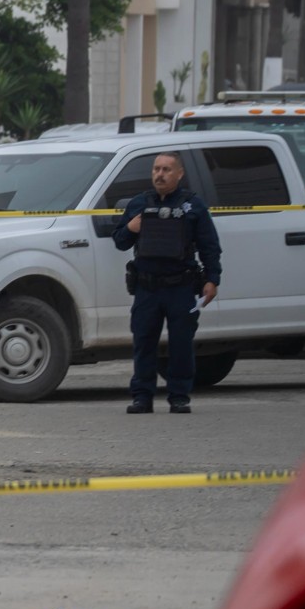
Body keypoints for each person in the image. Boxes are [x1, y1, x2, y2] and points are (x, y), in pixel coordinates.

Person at [112, 152, 222, 414]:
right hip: (147, 287)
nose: (160, 174)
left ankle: (179, 396)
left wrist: (212, 279)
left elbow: (210, 246)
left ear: (179, 174)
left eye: (166, 170)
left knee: (181, 343)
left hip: (181, 287)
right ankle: (142, 396)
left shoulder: (192, 205)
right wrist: (131, 228)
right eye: (156, 169)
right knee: (143, 342)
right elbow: (119, 241)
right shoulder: (139, 204)